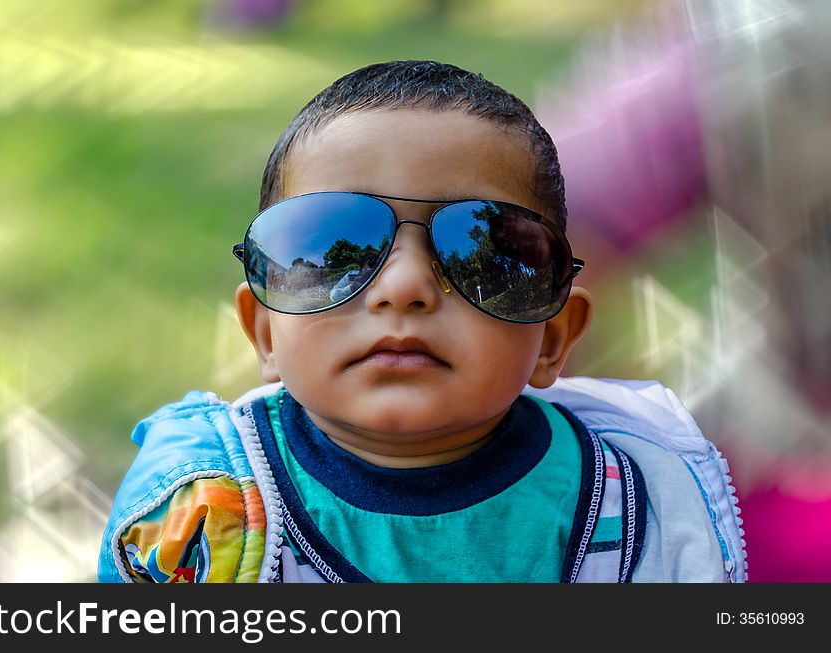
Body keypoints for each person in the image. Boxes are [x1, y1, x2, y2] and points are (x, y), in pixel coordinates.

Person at [97, 61, 745, 583]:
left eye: (479, 251)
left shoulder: (642, 503)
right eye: (332, 247)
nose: (403, 286)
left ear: (553, 336)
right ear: (264, 329)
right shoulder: (204, 522)